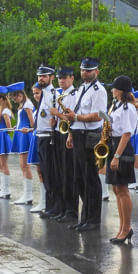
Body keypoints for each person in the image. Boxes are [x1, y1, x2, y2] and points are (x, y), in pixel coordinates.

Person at [60, 58, 107, 232]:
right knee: (79, 178)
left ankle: (93, 219)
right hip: (78, 133)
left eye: (89, 70)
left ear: (97, 72)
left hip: (90, 135)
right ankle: (85, 217)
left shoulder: (98, 90)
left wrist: (77, 118)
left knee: (90, 179)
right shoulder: (81, 89)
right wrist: (71, 132)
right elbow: (75, 112)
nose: (85, 73)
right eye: (83, 70)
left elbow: (99, 115)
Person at [107, 76, 138, 246]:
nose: (112, 90)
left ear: (121, 90)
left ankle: (126, 228)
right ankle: (121, 227)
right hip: (113, 144)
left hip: (122, 147)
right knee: (116, 189)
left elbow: (126, 133)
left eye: (114, 88)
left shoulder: (127, 108)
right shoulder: (116, 105)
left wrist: (117, 156)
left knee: (123, 189)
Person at [49, 67, 79, 222]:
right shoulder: (59, 94)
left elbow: (71, 118)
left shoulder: (74, 95)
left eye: (65, 78)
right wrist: (54, 120)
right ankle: (62, 208)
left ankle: (71, 210)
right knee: (60, 173)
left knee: (69, 174)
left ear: (72, 78)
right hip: (59, 133)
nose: (62, 80)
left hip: (68, 135)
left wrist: (58, 114)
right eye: (60, 78)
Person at [31, 66, 58, 214]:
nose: (41, 79)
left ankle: (53, 207)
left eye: (44, 76)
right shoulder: (44, 94)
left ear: (51, 77)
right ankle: (50, 206)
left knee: (50, 174)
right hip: (41, 135)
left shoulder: (52, 93)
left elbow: (57, 113)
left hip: (48, 137)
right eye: (39, 76)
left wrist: (55, 119)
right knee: (46, 174)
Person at [8, 82, 35, 205]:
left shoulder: (27, 105)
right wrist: (17, 126)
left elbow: (33, 123)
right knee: (22, 166)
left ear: (20, 95)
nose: (14, 100)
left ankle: (28, 195)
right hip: (20, 134)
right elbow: (23, 120)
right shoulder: (23, 105)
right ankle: (26, 194)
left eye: (15, 98)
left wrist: (28, 129)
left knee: (25, 166)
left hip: (25, 136)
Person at [0, 86, 14, 199]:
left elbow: (9, 128)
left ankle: (6, 190)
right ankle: (2, 188)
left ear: (1, 99)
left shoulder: (5, 111)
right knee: (0, 164)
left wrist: (2, 131)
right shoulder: (0, 109)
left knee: (3, 164)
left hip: (2, 137)